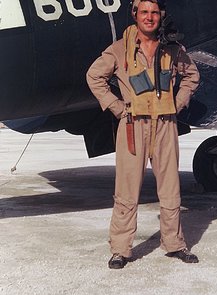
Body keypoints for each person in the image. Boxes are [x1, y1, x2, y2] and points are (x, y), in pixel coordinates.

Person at [86, 0, 200, 269]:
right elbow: (94, 77)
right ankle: (120, 249)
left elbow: (192, 76)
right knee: (126, 189)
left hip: (165, 125)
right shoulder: (119, 50)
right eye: (144, 12)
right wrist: (116, 107)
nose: (149, 18)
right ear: (135, 15)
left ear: (160, 16)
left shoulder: (172, 49)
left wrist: (177, 102)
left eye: (154, 13)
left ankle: (174, 244)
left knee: (170, 188)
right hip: (132, 127)